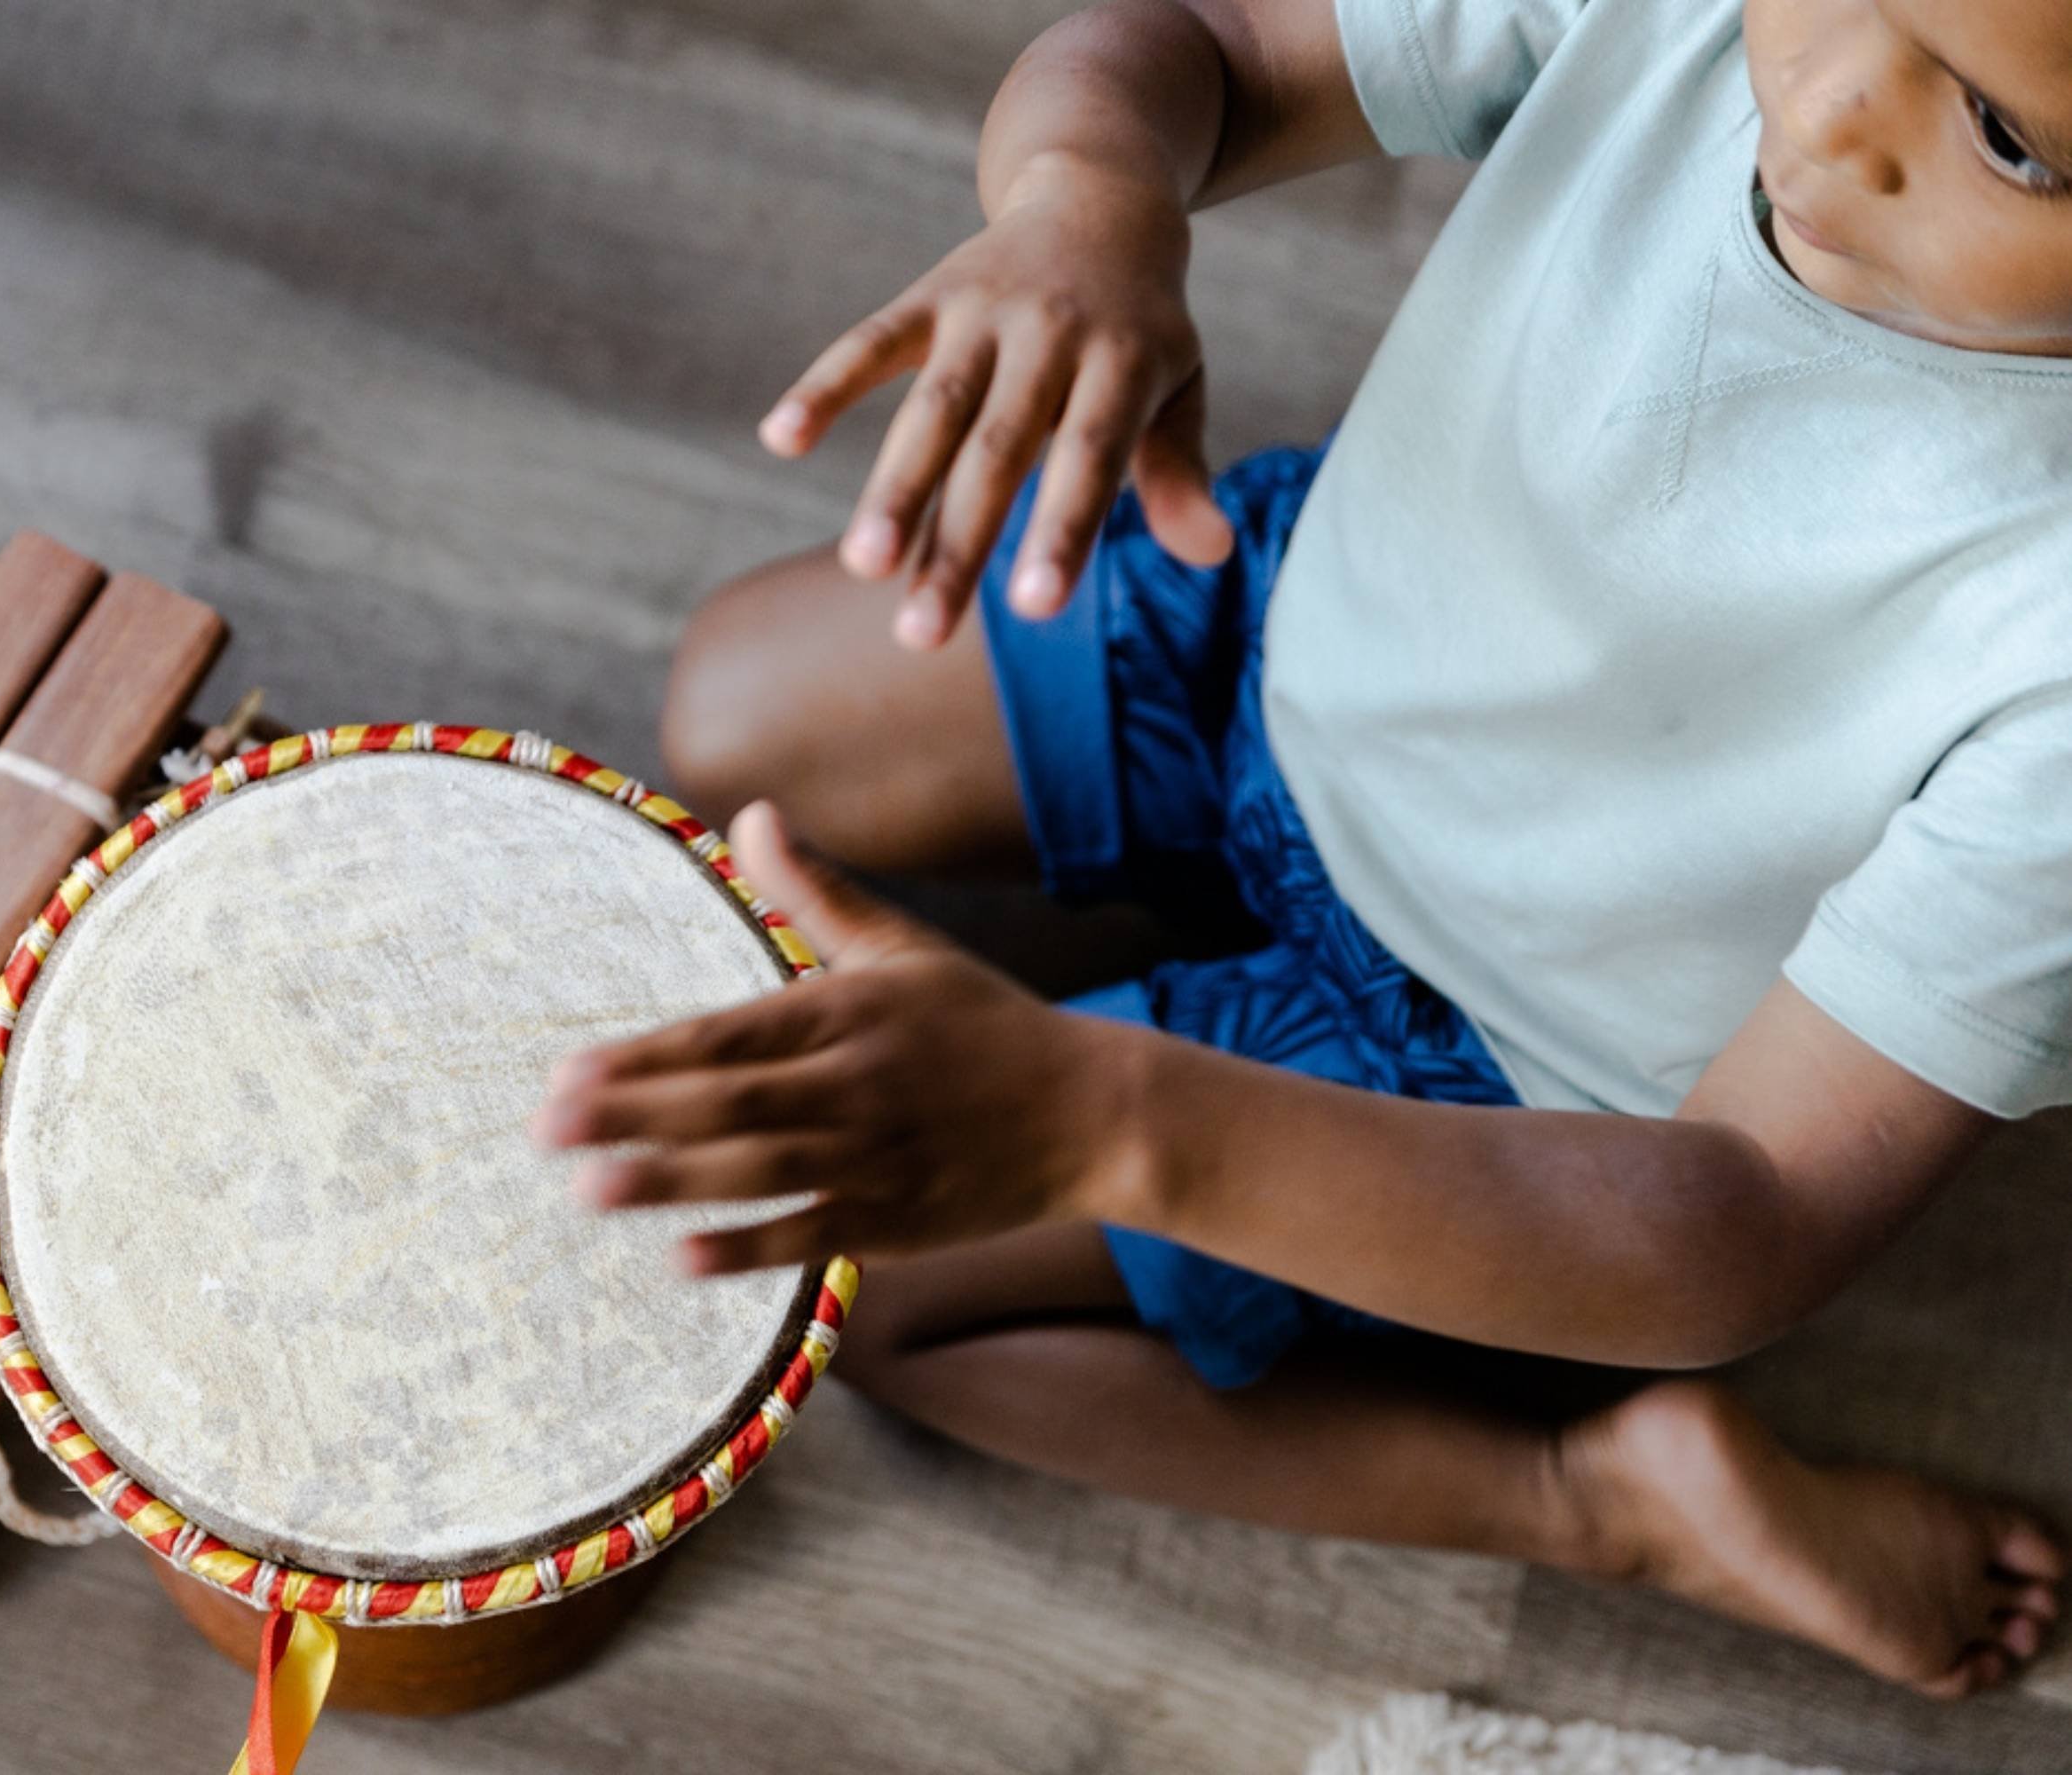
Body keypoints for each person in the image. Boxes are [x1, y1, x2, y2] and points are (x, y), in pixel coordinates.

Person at [534, 0, 2072, 1697]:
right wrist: (1084, 194)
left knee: (877, 1306)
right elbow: (1211, 47)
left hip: (1497, 1061)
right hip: (1290, 640)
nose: (1840, 105)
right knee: (742, 702)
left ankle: (1593, 1494)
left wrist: (1112, 1126)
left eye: (2014, 143)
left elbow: (1750, 1215)